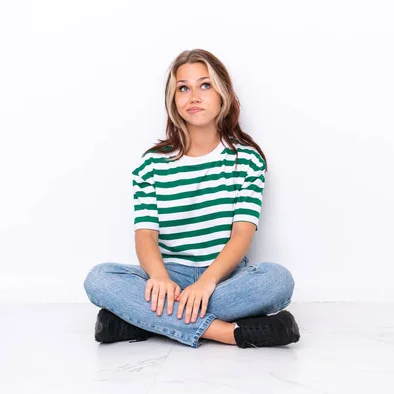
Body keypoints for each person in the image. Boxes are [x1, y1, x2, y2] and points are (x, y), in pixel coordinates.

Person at [83, 49, 300, 349]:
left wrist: (207, 281)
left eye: (205, 85)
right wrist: (158, 277)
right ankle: (227, 333)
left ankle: (136, 321)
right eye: (183, 88)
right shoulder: (151, 166)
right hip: (169, 277)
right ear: (173, 101)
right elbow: (145, 235)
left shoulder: (247, 161)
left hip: (222, 278)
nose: (193, 96)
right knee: (99, 279)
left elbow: (241, 235)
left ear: (223, 95)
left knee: (277, 280)